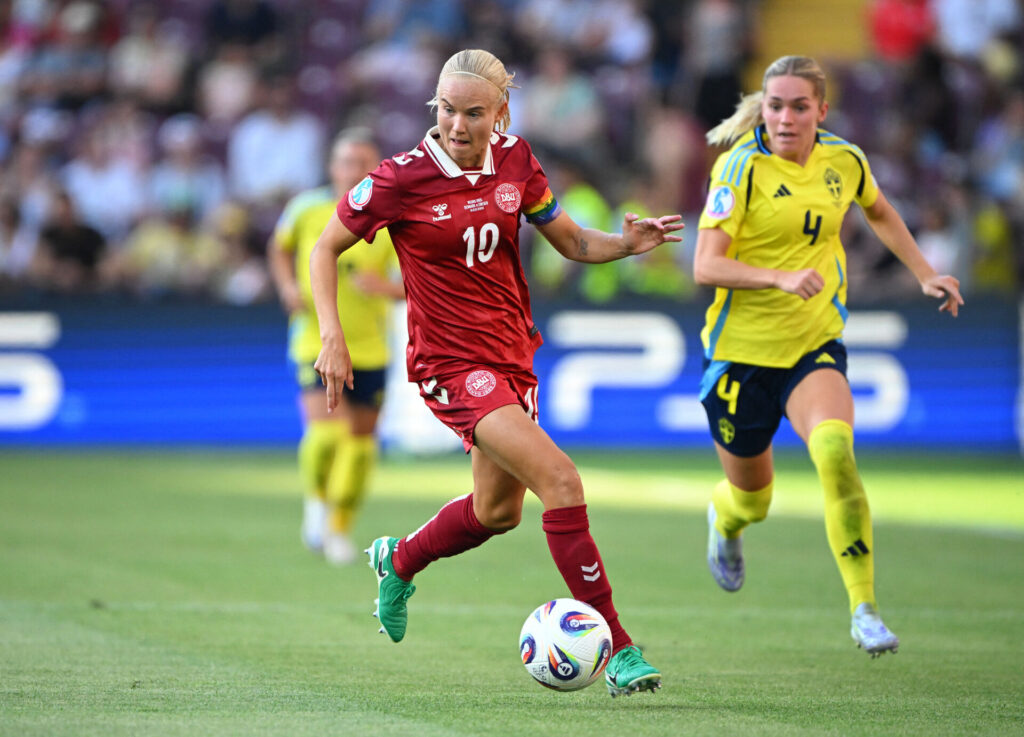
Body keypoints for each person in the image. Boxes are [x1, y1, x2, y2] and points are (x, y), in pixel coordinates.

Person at [310, 49, 683, 697]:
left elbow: (569, 240)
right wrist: (332, 333)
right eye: (447, 109)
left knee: (497, 511)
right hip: (449, 364)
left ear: (500, 112)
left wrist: (625, 244)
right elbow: (325, 246)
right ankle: (621, 648)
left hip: (512, 356)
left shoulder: (517, 159)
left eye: (473, 112)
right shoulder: (400, 179)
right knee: (561, 480)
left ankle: (398, 560)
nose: (457, 123)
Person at [693, 55, 963, 657]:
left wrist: (924, 273)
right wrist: (779, 278)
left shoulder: (845, 160)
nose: (785, 117)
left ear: (821, 110)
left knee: (836, 452)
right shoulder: (739, 169)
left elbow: (880, 211)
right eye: (775, 105)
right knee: (753, 499)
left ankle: (864, 608)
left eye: (798, 106)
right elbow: (706, 264)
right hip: (740, 357)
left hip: (813, 344)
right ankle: (725, 518)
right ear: (762, 108)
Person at [268, 128, 403, 565]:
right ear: (332, 167)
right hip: (315, 339)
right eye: (347, 161)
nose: (355, 170)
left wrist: (386, 287)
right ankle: (315, 505)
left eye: (365, 162)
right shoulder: (307, 208)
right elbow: (279, 249)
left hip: (370, 347)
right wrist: (288, 286)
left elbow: (415, 283)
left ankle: (340, 528)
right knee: (328, 433)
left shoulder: (392, 219)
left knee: (361, 445)